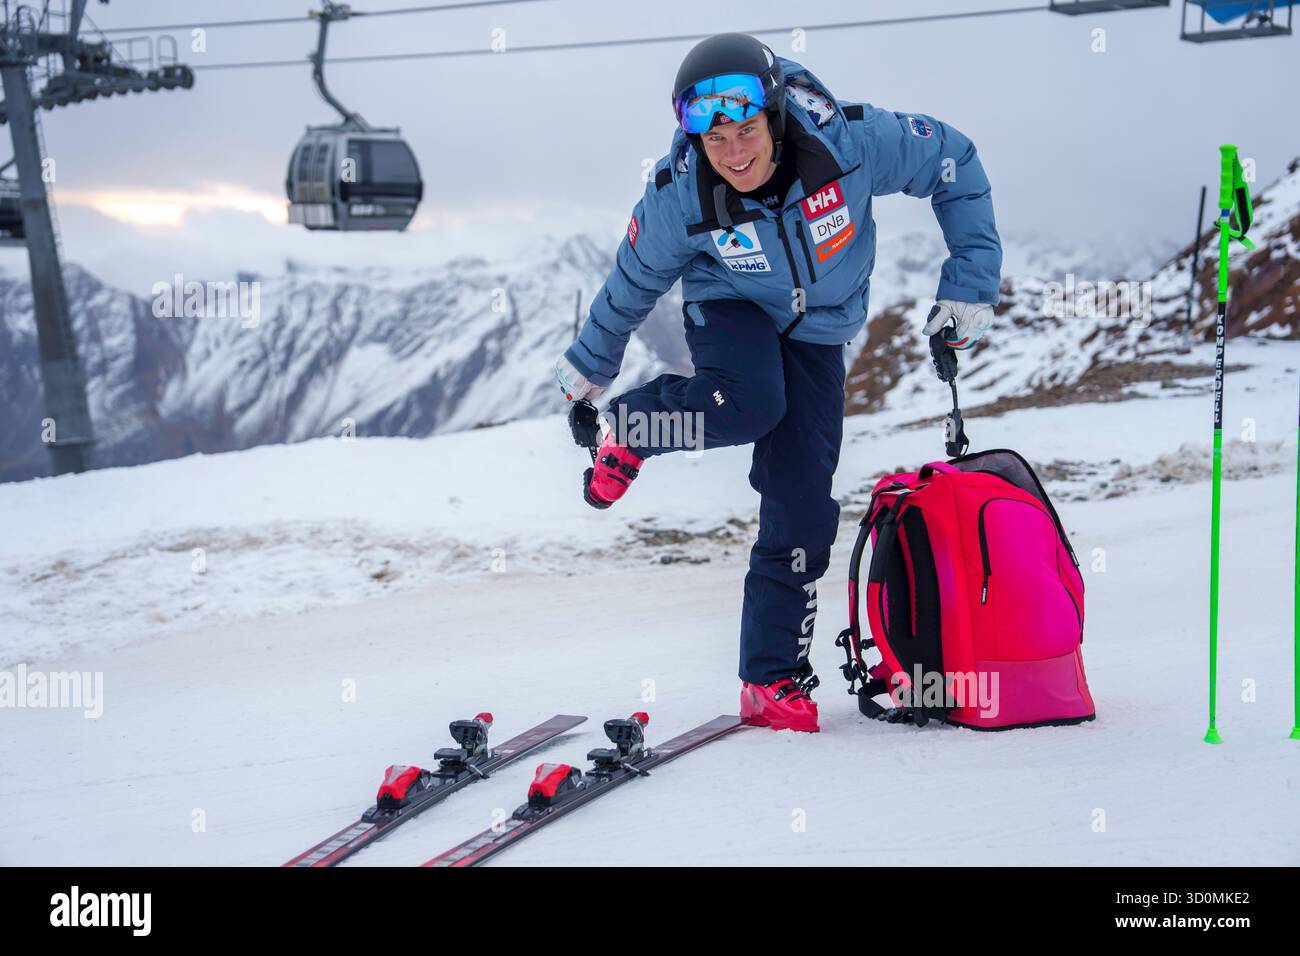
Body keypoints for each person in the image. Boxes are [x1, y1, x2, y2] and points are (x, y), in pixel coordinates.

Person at [554, 33, 1001, 732]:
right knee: (750, 401)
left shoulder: (849, 143)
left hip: (822, 327)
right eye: (716, 140)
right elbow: (634, 280)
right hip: (728, 303)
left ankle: (771, 680)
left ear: (777, 119)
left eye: (747, 131)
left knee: (802, 502)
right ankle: (635, 427)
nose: (733, 154)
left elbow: (954, 162)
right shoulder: (682, 193)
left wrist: (971, 284)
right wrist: (589, 370)